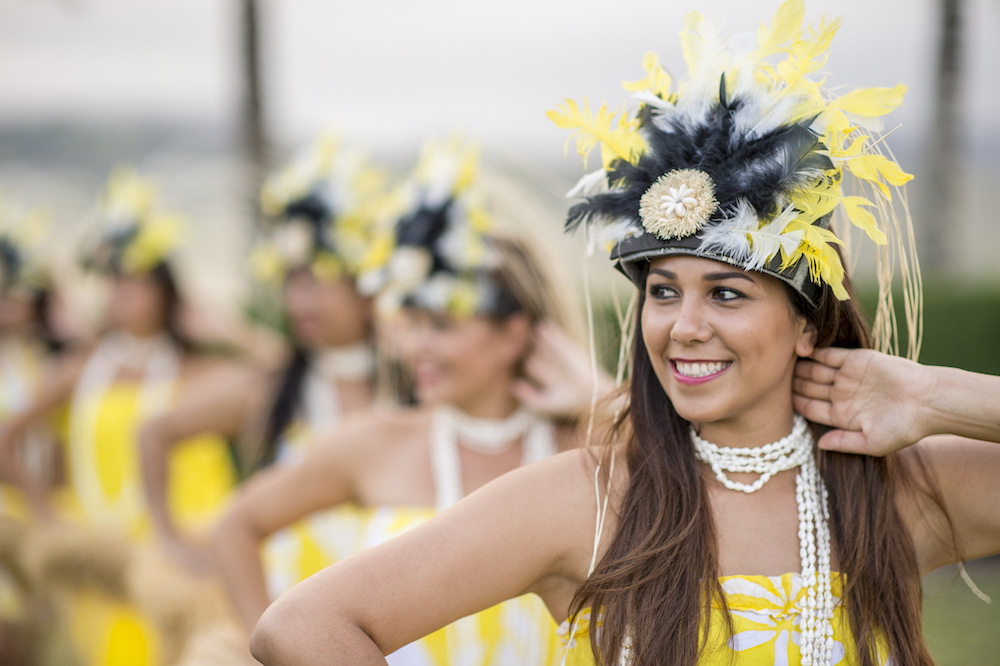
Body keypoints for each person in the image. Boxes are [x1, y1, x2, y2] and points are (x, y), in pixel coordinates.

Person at [247, 4, 1000, 666]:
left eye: (728, 293)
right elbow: (305, 625)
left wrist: (937, 394)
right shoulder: (589, 499)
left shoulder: (902, 494)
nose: (684, 326)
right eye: (663, 292)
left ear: (808, 324)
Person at [213, 138, 605, 665]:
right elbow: (235, 526)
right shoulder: (373, 443)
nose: (415, 345)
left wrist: (597, 391)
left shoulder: (588, 442)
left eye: (441, 325)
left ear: (514, 334)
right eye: (412, 322)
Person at [0, 168, 238, 666]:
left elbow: (281, 381)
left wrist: (232, 330)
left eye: (134, 283)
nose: (121, 294)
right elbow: (8, 437)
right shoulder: (82, 367)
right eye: (112, 282)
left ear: (165, 290)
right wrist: (46, 515)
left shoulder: (201, 369)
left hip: (182, 555)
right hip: (104, 559)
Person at [139, 136, 391, 581]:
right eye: (291, 283)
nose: (299, 301)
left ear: (368, 286)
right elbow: (155, 432)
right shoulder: (269, 387)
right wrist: (170, 540)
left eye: (316, 282)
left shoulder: (411, 388)